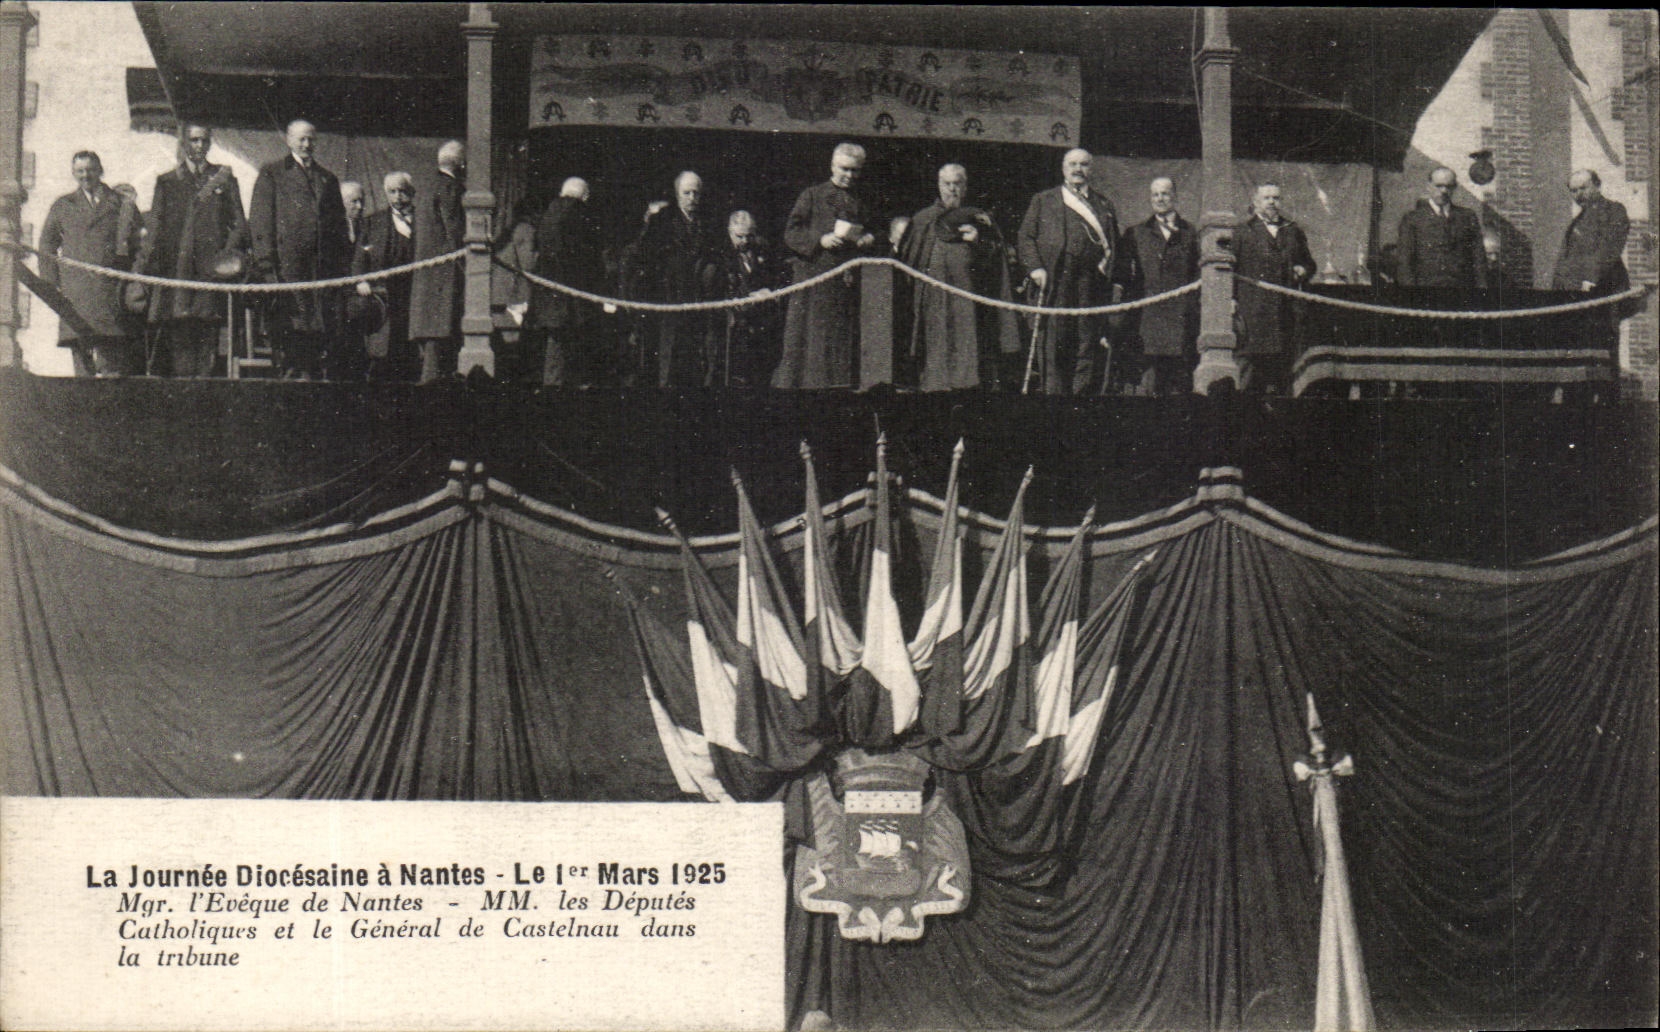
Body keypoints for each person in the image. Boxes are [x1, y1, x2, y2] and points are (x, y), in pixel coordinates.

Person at [136, 125, 248, 378]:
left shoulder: (224, 179)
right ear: (184, 143)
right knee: (180, 348)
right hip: (177, 277)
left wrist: (225, 257)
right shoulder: (167, 182)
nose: (199, 146)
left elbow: (239, 224)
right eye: (194, 140)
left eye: (204, 140)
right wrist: (144, 272)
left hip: (211, 276)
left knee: (207, 347)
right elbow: (154, 230)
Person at [898, 163, 1019, 391]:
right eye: (947, 184)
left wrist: (978, 241)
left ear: (965, 187)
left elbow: (997, 262)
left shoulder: (979, 220)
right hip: (932, 302)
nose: (952, 189)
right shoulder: (923, 219)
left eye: (957, 184)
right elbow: (907, 261)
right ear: (938, 185)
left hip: (968, 301)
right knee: (935, 352)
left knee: (969, 351)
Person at [248, 119, 351, 380]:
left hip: (320, 271)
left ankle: (312, 383)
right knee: (291, 331)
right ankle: (290, 381)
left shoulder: (327, 178)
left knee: (318, 331)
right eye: (301, 139)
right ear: (289, 140)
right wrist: (266, 265)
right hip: (287, 269)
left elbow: (339, 226)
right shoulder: (272, 173)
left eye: (311, 139)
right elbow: (261, 222)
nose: (306, 145)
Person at [773, 142, 878, 389]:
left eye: (855, 170)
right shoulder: (812, 195)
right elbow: (791, 232)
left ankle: (837, 389)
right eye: (844, 169)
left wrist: (869, 238)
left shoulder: (861, 201)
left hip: (845, 284)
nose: (849, 175)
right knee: (810, 342)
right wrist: (819, 240)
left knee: (839, 343)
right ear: (832, 166)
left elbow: (875, 230)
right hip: (814, 281)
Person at [1016, 148, 1119, 395]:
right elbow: (1025, 237)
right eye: (1072, 164)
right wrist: (1036, 268)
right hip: (1056, 279)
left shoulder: (1103, 204)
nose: (1078, 169)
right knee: (1055, 343)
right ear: (1064, 169)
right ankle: (1054, 400)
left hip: (1090, 280)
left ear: (1090, 170)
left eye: (1083, 165)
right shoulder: (1044, 200)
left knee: (1086, 342)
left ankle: (1080, 401)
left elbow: (1113, 244)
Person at [38, 151, 144, 376]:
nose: (86, 175)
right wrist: (51, 285)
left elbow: (141, 246)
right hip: (76, 295)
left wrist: (134, 282)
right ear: (74, 173)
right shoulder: (63, 205)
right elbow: (46, 246)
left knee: (111, 366)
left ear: (100, 170)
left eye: (91, 170)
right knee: (82, 366)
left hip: (111, 294)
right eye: (80, 171)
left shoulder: (121, 204)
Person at [634, 171, 721, 386]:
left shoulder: (707, 223)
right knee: (666, 356)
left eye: (696, 193)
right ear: (677, 194)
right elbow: (646, 257)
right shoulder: (662, 221)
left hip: (697, 300)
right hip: (668, 299)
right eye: (686, 193)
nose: (692, 198)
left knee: (693, 358)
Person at [1116, 176, 1199, 395]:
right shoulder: (1136, 233)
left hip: (1180, 320)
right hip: (1147, 320)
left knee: (1178, 389)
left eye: (1165, 193)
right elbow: (1123, 277)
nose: (1160, 199)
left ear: (1175, 196)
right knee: (1147, 385)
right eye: (1155, 194)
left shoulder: (1191, 233)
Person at [1234, 183, 1314, 394]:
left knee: (1280, 377)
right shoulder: (1243, 232)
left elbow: (1309, 264)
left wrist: (1302, 270)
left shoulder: (1292, 230)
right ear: (1256, 202)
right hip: (1254, 314)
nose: (1271, 202)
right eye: (1266, 198)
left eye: (1276, 198)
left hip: (1284, 314)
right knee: (1250, 377)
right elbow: (1231, 271)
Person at [527, 176, 605, 387]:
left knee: (556, 348)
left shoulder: (547, 214)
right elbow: (589, 258)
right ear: (585, 196)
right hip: (573, 293)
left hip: (550, 292)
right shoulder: (580, 214)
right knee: (572, 350)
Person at [1551, 169, 1632, 355]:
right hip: (1575, 295)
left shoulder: (1614, 210)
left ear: (1597, 185)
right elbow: (1566, 259)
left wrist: (1591, 278)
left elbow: (1610, 247)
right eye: (1573, 191)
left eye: (1583, 188)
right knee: (1580, 346)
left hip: (1602, 291)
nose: (1578, 195)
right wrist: (1558, 289)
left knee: (1604, 346)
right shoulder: (1577, 221)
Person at [350, 171, 419, 382]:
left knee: (409, 350)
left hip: (413, 291)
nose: (398, 197)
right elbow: (360, 257)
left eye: (402, 191)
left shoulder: (423, 220)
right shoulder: (373, 222)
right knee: (382, 348)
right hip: (383, 292)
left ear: (411, 193)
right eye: (392, 192)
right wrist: (361, 280)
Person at [408, 139, 466, 382]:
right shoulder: (450, 188)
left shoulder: (426, 185)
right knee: (441, 325)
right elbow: (453, 228)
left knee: (432, 325)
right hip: (446, 266)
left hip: (427, 265)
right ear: (461, 163)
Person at [709, 210, 787, 387]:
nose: (744, 241)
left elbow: (777, 275)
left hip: (760, 319)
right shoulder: (719, 253)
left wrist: (770, 291)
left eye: (749, 236)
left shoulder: (762, 248)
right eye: (739, 236)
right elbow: (717, 287)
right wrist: (742, 299)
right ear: (730, 231)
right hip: (734, 321)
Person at [1396, 166, 1486, 290]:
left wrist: (1481, 292)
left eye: (1449, 186)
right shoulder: (1412, 219)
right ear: (1429, 186)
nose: (1444, 191)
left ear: (1454, 188)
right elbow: (1404, 262)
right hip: (1425, 291)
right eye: (1439, 186)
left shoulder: (1467, 217)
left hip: (1461, 290)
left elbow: (1479, 259)